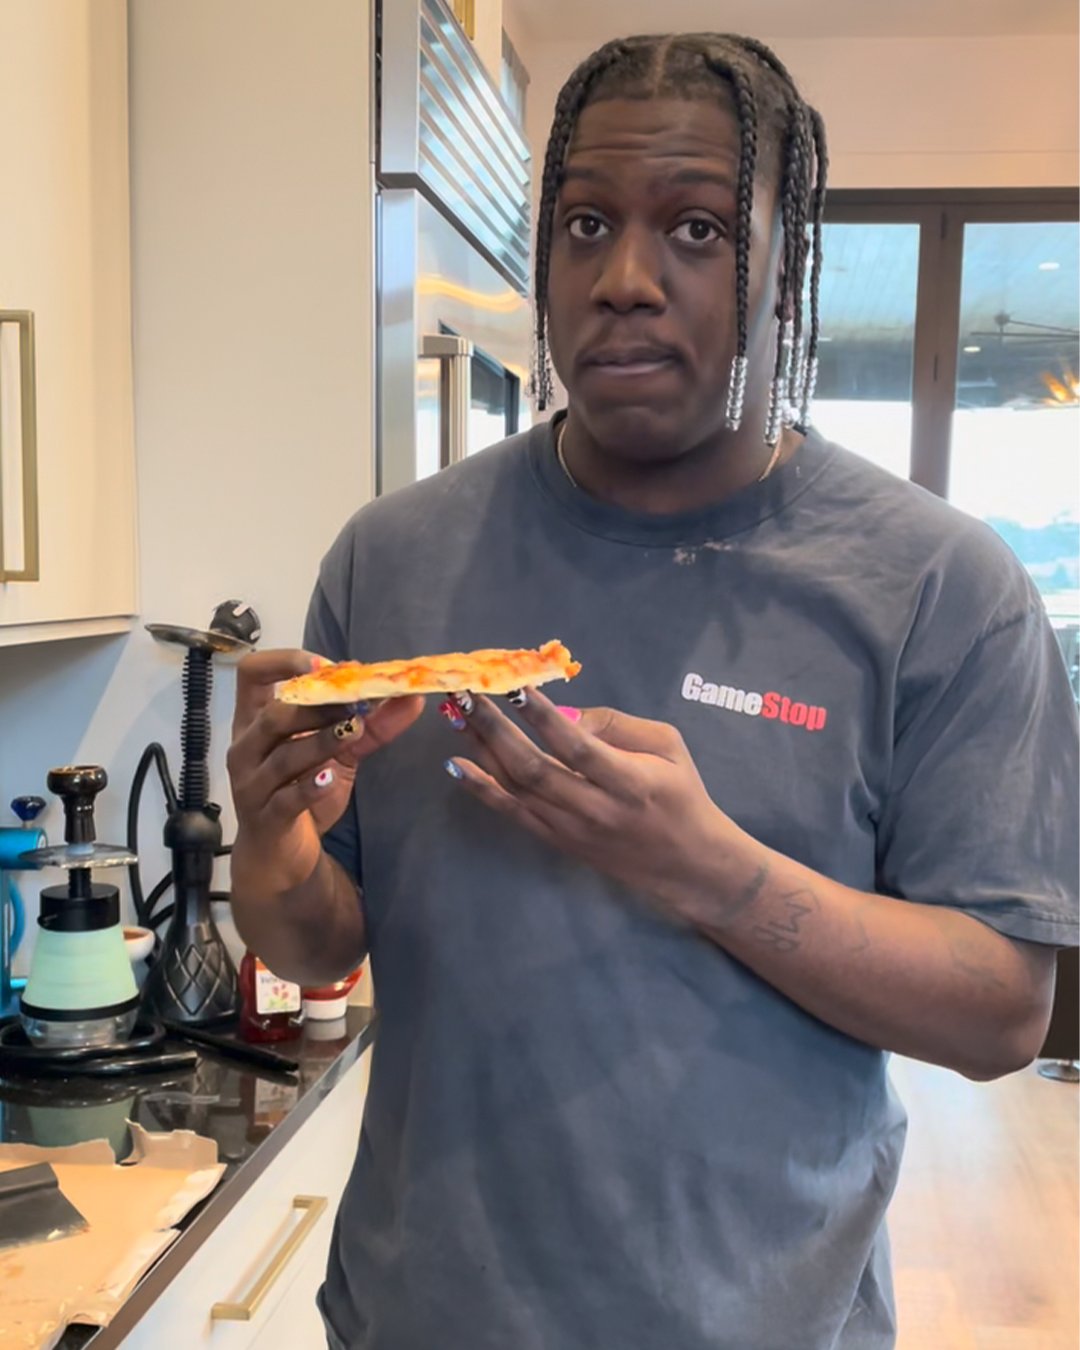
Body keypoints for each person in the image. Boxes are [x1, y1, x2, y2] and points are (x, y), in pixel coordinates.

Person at [226, 32, 1079, 1350]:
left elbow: (1004, 1011)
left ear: (786, 258)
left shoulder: (941, 588)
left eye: (696, 228)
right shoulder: (393, 558)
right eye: (586, 224)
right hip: (419, 1315)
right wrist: (271, 841)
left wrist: (708, 870)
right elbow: (313, 947)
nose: (626, 279)